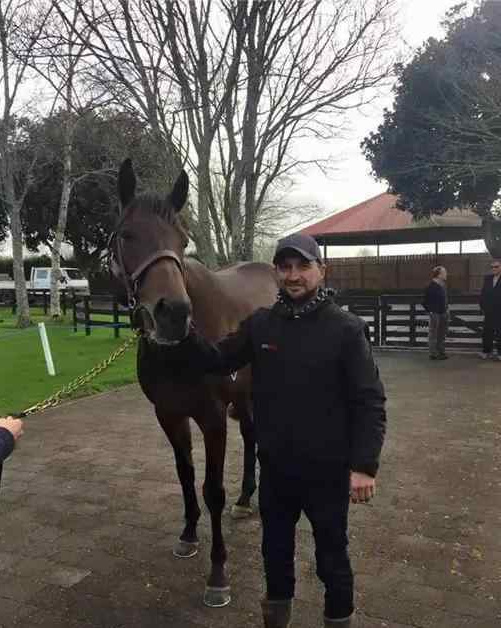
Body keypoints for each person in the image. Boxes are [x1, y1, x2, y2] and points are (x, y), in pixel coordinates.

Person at [163, 233, 387, 628]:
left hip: (327, 471)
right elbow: (216, 357)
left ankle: (339, 619)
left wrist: (364, 466)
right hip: (277, 471)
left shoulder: (346, 329)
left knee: (332, 559)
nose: (293, 275)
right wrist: (179, 330)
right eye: (285, 267)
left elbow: (369, 400)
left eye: (303, 266)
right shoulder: (262, 325)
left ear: (322, 270)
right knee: (275, 557)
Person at [422, 266, 449, 360]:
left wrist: (446, 308)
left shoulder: (443, 285)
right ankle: (433, 353)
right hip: (435, 314)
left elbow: (445, 299)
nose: (446, 274)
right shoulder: (430, 286)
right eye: (444, 272)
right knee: (433, 334)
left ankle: (441, 351)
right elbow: (424, 302)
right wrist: (431, 311)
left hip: (444, 313)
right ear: (439, 274)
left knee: (442, 334)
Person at [479, 259, 501, 361]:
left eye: (496, 266)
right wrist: (482, 306)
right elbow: (483, 294)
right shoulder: (487, 279)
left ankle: (500, 353)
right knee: (487, 332)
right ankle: (486, 351)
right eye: (492, 267)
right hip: (489, 311)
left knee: (499, 332)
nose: (494, 269)